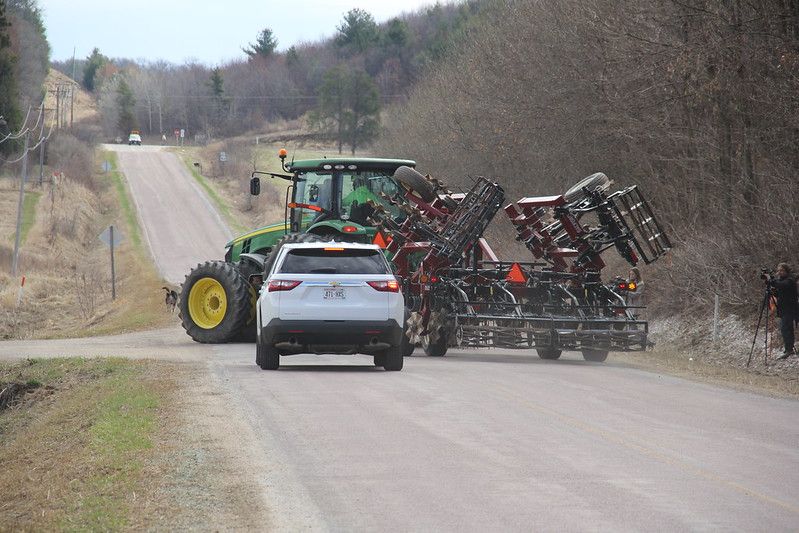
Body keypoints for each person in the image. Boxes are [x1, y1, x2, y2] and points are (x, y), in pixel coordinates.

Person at [772, 262, 798, 359]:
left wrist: (772, 281)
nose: (779, 272)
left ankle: (789, 350)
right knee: (785, 329)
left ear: (787, 271)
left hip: (790, 309)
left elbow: (782, 285)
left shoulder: (790, 280)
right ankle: (788, 349)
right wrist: (773, 291)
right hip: (783, 309)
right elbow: (779, 294)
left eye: (782, 270)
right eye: (778, 270)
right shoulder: (781, 281)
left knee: (786, 329)